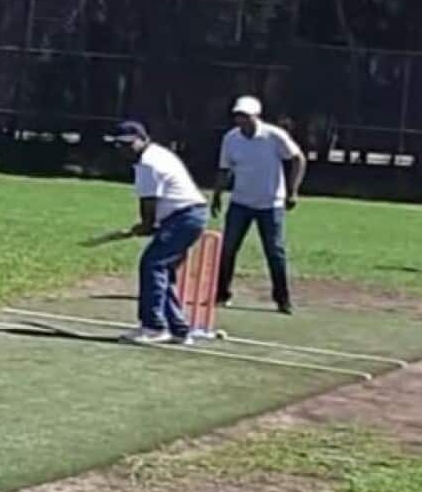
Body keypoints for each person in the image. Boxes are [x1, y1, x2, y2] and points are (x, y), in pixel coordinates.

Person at [110, 121, 210, 345]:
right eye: (120, 144)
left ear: (143, 139)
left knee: (152, 264)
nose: (125, 149)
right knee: (163, 270)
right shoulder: (156, 154)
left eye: (129, 143)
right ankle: (178, 329)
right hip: (186, 216)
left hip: (185, 216)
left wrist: (146, 225)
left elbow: (149, 202)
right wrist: (151, 225)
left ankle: (154, 326)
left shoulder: (148, 163)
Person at [211, 96, 307, 315]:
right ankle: (222, 294)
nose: (241, 121)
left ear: (256, 116)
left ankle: (282, 299)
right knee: (228, 248)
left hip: (270, 204)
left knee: (275, 251)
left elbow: (298, 159)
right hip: (240, 202)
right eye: (238, 116)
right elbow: (224, 169)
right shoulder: (231, 139)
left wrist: (292, 190)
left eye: (245, 117)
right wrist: (217, 194)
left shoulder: (274, 136)